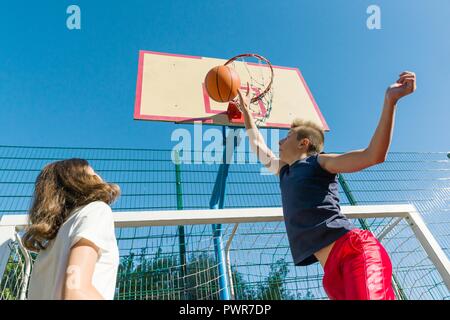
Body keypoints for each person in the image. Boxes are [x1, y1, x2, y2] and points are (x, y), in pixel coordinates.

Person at [238, 71, 416, 300]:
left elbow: (373, 155)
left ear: (304, 142)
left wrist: (390, 101)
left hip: (355, 252)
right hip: (331, 274)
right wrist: (245, 112)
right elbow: (257, 143)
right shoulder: (284, 172)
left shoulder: (320, 162)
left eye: (287, 136)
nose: (280, 142)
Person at [23, 158, 120, 300]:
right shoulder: (95, 211)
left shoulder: (48, 247)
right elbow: (75, 291)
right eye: (93, 172)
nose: (99, 176)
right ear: (81, 181)